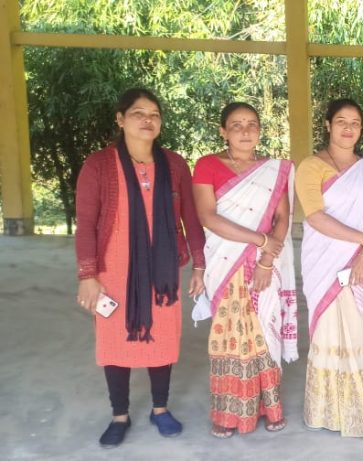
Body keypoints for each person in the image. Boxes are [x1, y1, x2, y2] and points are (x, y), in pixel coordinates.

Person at [75, 88, 205, 447]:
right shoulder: (99, 165)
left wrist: (199, 265)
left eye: (154, 114)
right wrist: (87, 275)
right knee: (115, 341)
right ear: (120, 119)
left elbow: (190, 218)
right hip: (113, 270)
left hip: (163, 271)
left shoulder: (175, 164)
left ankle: (160, 409)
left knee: (162, 339)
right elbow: (86, 224)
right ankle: (120, 414)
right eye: (138, 113)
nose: (147, 120)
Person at [192, 102, 297, 438]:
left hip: (264, 266)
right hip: (226, 266)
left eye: (252, 124)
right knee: (231, 339)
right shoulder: (207, 165)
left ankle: (269, 406)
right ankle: (229, 414)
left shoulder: (273, 170)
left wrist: (266, 259)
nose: (245, 130)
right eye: (236, 125)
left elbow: (283, 218)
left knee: (263, 335)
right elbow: (208, 217)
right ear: (223, 131)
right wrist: (260, 240)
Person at [298, 98, 363, 437]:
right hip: (325, 264)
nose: (348, 128)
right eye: (341, 121)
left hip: (361, 265)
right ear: (327, 125)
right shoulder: (311, 166)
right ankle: (324, 409)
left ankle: (355, 405)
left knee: (357, 330)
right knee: (328, 330)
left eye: (355, 122)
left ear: (361, 129)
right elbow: (316, 217)